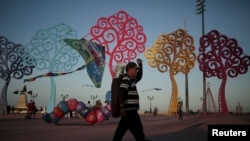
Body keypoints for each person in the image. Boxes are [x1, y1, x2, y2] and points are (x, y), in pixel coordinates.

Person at [112, 59, 150, 141]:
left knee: (138, 129)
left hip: (132, 111)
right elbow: (121, 92)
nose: (136, 71)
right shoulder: (127, 79)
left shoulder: (132, 80)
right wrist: (122, 106)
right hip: (128, 112)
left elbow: (139, 76)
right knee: (122, 131)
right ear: (130, 70)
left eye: (137, 70)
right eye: (135, 69)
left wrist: (140, 65)